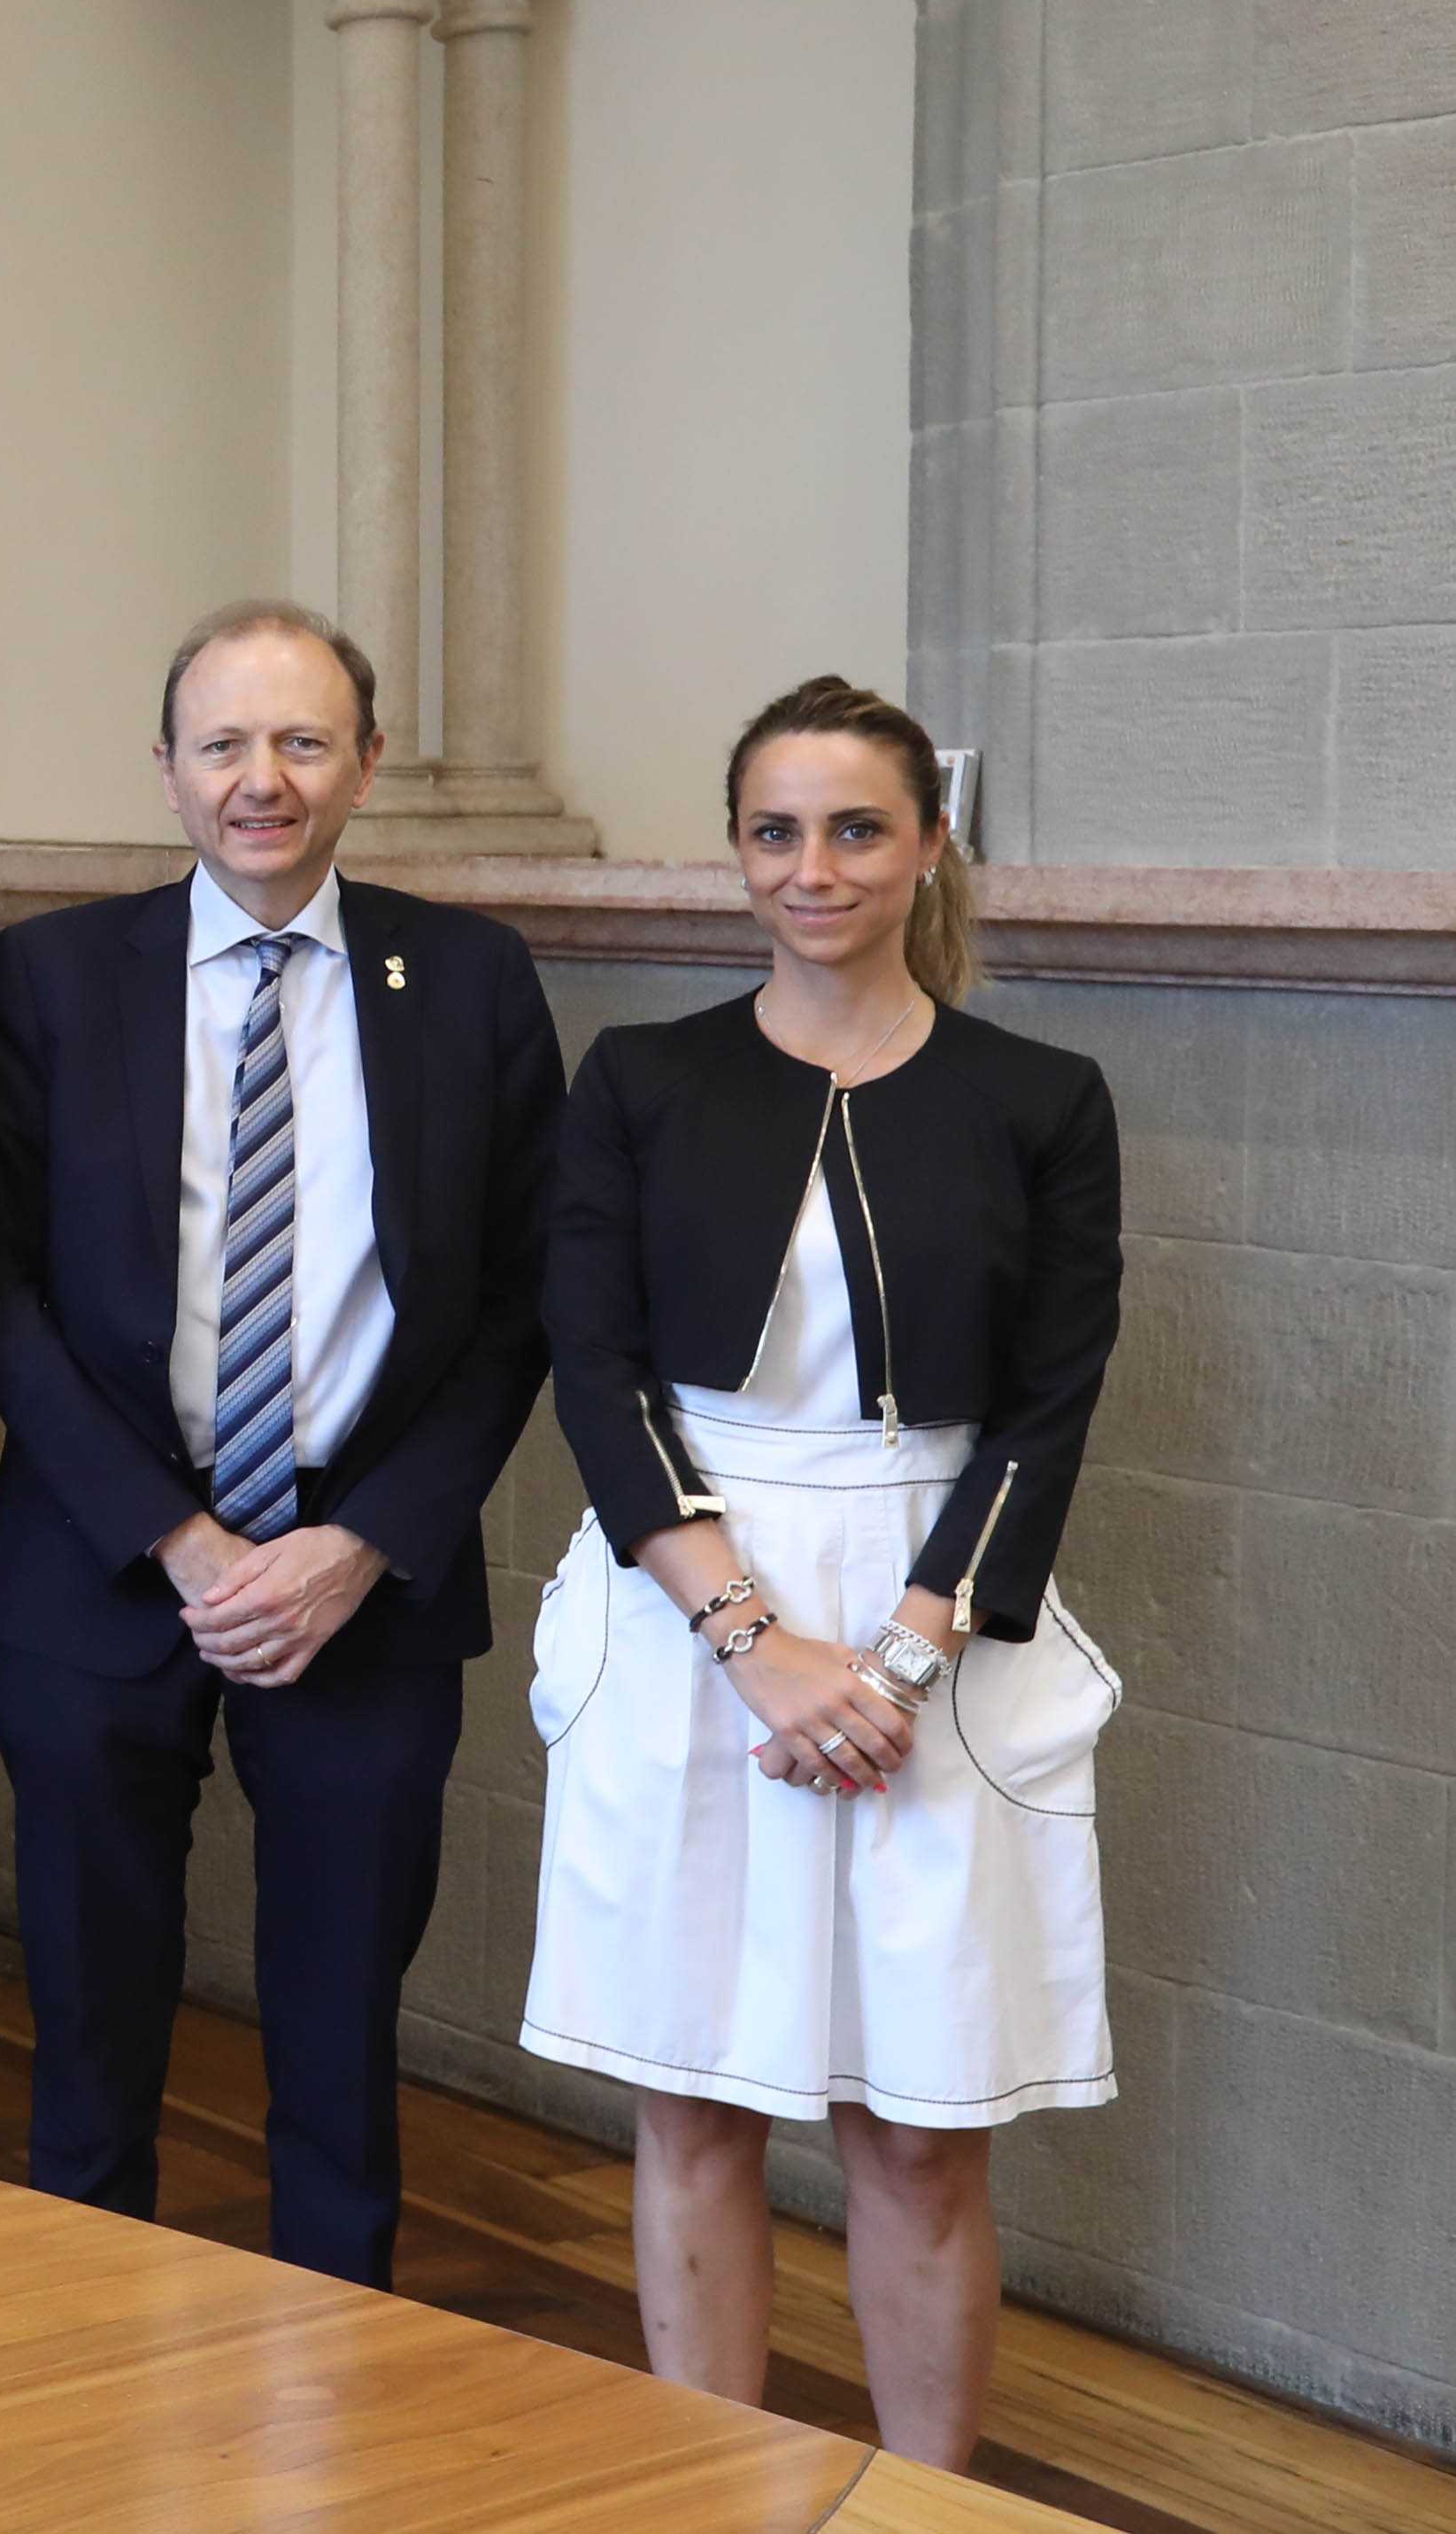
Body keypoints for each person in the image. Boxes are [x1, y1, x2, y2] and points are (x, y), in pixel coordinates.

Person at [527, 676, 1125, 2468]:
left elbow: (1046, 1404)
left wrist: (898, 1659)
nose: (814, 867)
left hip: (936, 1617)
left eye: (857, 828)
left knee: (919, 2129)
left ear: (928, 840)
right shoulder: (641, 1079)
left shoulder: (1040, 1098)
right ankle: (713, 2494)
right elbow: (594, 1369)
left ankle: (927, 2509)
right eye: (774, 831)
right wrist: (752, 1640)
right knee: (694, 2101)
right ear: (735, 850)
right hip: (687, 1608)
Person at [0, 601, 560, 2283]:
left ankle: (333, 2366)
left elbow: (523, 1298)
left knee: (341, 2026)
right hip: (105, 1570)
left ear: (366, 764)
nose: (260, 780)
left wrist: (358, 1545)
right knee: (87, 2017)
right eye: (222, 744)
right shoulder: (55, 978)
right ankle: (90, 2330)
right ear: (165, 770)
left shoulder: (469, 979)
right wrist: (179, 1536)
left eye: (301, 741)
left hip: (362, 1580)